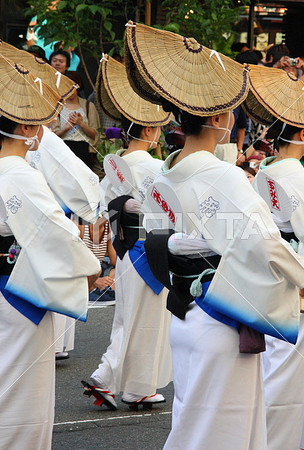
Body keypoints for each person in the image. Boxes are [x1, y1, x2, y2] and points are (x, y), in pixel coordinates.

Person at [126, 22, 304, 449]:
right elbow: (263, 242)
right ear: (216, 117)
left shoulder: (162, 173)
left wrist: (181, 246)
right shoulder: (224, 175)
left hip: (186, 313)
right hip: (221, 316)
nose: (234, 118)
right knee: (218, 433)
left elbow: (157, 238)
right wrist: (302, 276)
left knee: (199, 423)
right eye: (230, 111)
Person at [0, 58, 100, 449]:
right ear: (25, 127)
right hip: (16, 290)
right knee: (20, 392)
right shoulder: (19, 173)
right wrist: (90, 269)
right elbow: (57, 233)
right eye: (38, 123)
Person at [248, 65, 304, 449]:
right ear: (303, 134)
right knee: (285, 373)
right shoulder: (301, 178)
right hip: (299, 278)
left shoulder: (264, 171)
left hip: (275, 274)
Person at [83, 55, 172, 411]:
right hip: (149, 252)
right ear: (149, 131)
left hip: (124, 251)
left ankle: (138, 387)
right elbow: (167, 212)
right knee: (144, 322)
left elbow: (106, 213)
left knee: (129, 320)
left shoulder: (113, 169)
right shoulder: (155, 166)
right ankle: (106, 379)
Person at [52, 71, 100, 168]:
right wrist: (67, 128)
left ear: (78, 86)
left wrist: (81, 124)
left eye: (72, 87)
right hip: (64, 149)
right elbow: (53, 135)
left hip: (84, 149)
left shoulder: (88, 106)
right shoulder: (58, 106)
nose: (69, 91)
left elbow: (95, 134)